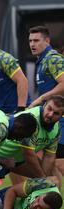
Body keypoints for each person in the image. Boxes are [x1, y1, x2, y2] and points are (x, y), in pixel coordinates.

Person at [27, 26, 64, 178]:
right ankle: (51, 197)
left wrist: (42, 99)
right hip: (54, 122)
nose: (32, 44)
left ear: (47, 41)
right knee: (51, 170)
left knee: (56, 164)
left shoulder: (52, 58)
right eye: (30, 41)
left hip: (61, 121)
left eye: (36, 40)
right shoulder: (42, 61)